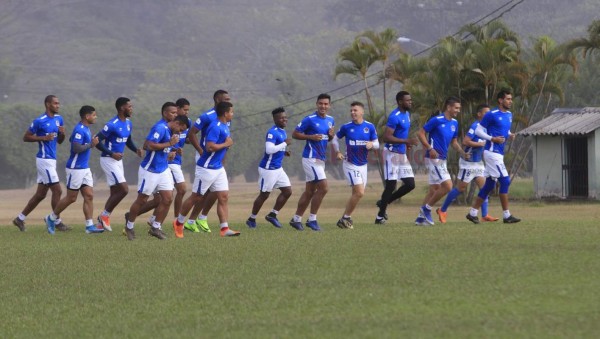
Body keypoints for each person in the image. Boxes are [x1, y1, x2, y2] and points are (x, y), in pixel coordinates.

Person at [123, 103, 190, 240]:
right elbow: (148, 145)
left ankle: (156, 227)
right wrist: (169, 145)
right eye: (180, 129)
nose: (180, 133)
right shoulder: (160, 128)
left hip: (163, 169)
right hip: (150, 170)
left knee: (167, 198)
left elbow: (163, 148)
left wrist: (170, 152)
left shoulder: (171, 131)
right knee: (142, 200)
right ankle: (129, 226)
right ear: (176, 123)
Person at [174, 101, 240, 237]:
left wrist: (226, 145)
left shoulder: (225, 126)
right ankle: (179, 222)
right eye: (231, 112)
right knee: (196, 197)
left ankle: (224, 229)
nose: (232, 114)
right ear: (225, 113)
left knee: (223, 196)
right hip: (206, 168)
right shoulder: (215, 127)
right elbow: (209, 147)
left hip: (218, 168)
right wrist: (226, 144)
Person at [13, 95, 71, 232]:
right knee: (58, 190)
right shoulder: (39, 121)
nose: (58, 105)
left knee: (40, 195)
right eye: (55, 103)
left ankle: (19, 219)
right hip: (44, 160)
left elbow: (60, 141)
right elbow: (26, 137)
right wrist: (43, 137)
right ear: (47, 104)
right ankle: (56, 221)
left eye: (59, 103)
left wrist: (62, 134)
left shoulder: (59, 119)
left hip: (52, 160)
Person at [436, 104, 499, 223]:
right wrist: (479, 144)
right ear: (479, 114)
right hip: (468, 163)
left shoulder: (487, 127)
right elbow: (465, 141)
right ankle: (442, 210)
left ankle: (485, 215)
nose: (488, 115)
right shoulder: (475, 126)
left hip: (478, 162)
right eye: (486, 113)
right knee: (460, 188)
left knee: (484, 188)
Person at [44, 106, 102, 234]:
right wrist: (91, 145)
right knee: (71, 198)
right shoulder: (80, 129)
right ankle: (51, 218)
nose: (95, 117)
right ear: (87, 116)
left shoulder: (85, 128)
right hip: (75, 168)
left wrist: (89, 144)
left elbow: (72, 140)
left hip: (85, 168)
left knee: (89, 195)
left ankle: (89, 226)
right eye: (94, 115)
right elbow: (76, 148)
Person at [466, 90, 520, 224]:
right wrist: (492, 139)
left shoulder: (509, 115)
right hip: (491, 152)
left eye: (511, 98)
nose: (510, 101)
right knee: (505, 181)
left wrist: (509, 134)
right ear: (500, 100)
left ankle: (472, 213)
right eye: (507, 99)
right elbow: (479, 130)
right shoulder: (491, 114)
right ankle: (507, 216)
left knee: (489, 184)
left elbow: (503, 130)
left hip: (499, 154)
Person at [416, 96, 469, 225]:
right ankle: (426, 209)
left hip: (442, 159)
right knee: (448, 186)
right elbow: (420, 133)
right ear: (448, 107)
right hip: (434, 158)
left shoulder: (455, 123)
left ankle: (420, 219)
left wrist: (462, 153)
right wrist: (429, 148)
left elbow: (454, 142)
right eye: (456, 108)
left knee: (434, 189)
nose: (457, 110)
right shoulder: (436, 120)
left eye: (459, 108)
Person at [184, 90, 231, 233]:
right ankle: (189, 220)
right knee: (200, 194)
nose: (229, 100)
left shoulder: (226, 116)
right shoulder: (207, 116)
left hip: (217, 159)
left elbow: (225, 139)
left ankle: (200, 219)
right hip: (205, 157)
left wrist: (223, 158)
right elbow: (191, 134)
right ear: (217, 100)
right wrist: (200, 150)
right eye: (226, 99)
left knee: (218, 193)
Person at [95, 97, 143, 232]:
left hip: (118, 161)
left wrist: (136, 150)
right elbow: (97, 141)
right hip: (108, 160)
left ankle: (100, 225)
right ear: (122, 108)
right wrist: (111, 153)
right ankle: (104, 216)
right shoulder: (112, 124)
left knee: (115, 191)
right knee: (124, 189)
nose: (131, 108)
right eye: (130, 106)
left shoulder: (128, 123)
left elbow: (128, 140)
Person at [289, 93, 335, 231]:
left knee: (310, 192)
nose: (323, 106)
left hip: (320, 159)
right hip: (310, 158)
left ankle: (296, 219)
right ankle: (312, 220)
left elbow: (327, 138)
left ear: (329, 105)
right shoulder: (309, 119)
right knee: (324, 188)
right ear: (316, 104)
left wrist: (331, 136)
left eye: (326, 104)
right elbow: (294, 134)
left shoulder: (331, 120)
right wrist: (311, 137)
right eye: (321, 103)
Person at [332, 101, 379, 229]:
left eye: (355, 110)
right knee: (359, 193)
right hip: (350, 164)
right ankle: (345, 218)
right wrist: (337, 152)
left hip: (363, 165)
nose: (353, 112)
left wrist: (372, 144)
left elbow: (377, 144)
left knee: (356, 194)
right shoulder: (346, 127)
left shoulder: (369, 127)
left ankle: (346, 218)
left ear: (362, 112)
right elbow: (335, 139)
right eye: (351, 110)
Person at [375, 91, 419, 224]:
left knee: (410, 184)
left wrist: (406, 145)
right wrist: (406, 141)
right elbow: (386, 137)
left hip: (401, 153)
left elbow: (400, 134)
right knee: (391, 185)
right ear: (400, 102)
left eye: (410, 100)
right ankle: (380, 217)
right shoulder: (395, 116)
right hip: (391, 153)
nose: (410, 102)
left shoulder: (407, 114)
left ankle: (384, 202)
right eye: (408, 100)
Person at [246, 107, 293, 229]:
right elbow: (269, 149)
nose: (285, 119)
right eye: (282, 118)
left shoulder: (282, 131)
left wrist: (284, 151)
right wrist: (284, 144)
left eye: (285, 117)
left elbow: (276, 149)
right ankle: (252, 219)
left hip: (278, 168)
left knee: (288, 191)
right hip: (268, 169)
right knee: (264, 195)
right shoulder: (272, 132)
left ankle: (272, 215)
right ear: (275, 119)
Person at [168, 98, 192, 218]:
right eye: (185, 109)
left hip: (177, 160)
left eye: (188, 110)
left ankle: (154, 220)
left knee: (166, 195)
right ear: (177, 108)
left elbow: (187, 138)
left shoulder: (188, 122)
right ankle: (177, 220)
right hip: (169, 161)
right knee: (181, 190)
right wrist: (172, 149)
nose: (187, 112)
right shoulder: (170, 124)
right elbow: (162, 141)